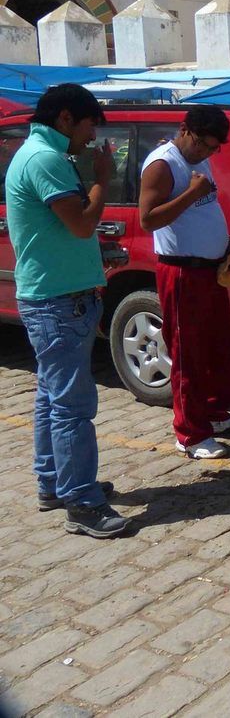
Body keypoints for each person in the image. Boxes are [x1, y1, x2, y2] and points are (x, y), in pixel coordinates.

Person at [6, 84, 128, 538]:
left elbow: (60, 232)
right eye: (89, 123)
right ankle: (81, 503)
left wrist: (97, 258)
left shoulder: (41, 154)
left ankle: (55, 484)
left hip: (57, 297)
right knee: (72, 406)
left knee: (52, 398)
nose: (92, 133)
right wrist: (102, 178)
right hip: (57, 303)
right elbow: (79, 224)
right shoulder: (45, 159)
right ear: (64, 119)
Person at [139, 105, 230, 459]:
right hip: (182, 270)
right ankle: (190, 433)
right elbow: (148, 219)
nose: (206, 152)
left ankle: (214, 414)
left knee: (218, 345)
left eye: (213, 148)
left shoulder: (200, 161)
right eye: (202, 144)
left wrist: (225, 241)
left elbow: (207, 208)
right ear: (184, 130)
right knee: (188, 352)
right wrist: (191, 194)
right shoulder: (163, 164)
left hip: (210, 267)